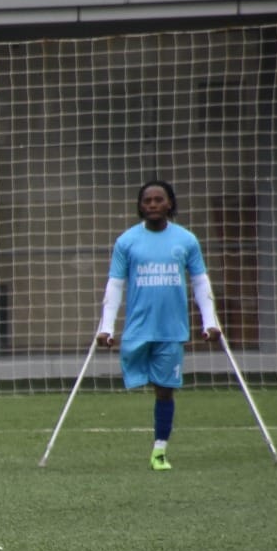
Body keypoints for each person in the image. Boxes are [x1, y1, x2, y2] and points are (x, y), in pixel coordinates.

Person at [96, 180, 220, 471]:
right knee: (139, 381)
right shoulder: (127, 241)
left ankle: (159, 451)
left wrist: (209, 321)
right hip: (137, 329)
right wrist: (106, 327)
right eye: (147, 200)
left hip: (171, 329)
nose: (152, 205)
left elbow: (200, 282)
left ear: (169, 204)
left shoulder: (186, 240)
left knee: (165, 389)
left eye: (158, 200)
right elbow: (115, 285)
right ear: (140, 206)